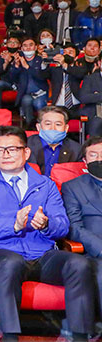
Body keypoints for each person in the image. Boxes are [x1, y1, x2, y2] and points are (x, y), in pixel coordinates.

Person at [0, 126, 95, 342]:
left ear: (26, 153)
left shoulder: (45, 185)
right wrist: (14, 225)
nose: (5, 155)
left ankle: (80, 335)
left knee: (79, 264)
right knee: (11, 263)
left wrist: (46, 225)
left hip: (43, 252)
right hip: (4, 252)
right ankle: (10, 336)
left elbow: (62, 224)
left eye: (12, 149)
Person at [62, 136, 102, 319]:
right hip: (95, 250)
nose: (99, 159)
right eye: (93, 155)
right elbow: (75, 226)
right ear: (85, 161)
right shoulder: (72, 187)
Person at [27, 105, 81, 176]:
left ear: (66, 128)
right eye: (48, 124)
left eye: (58, 124)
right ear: (39, 127)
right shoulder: (26, 145)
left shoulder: (76, 149)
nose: (53, 128)